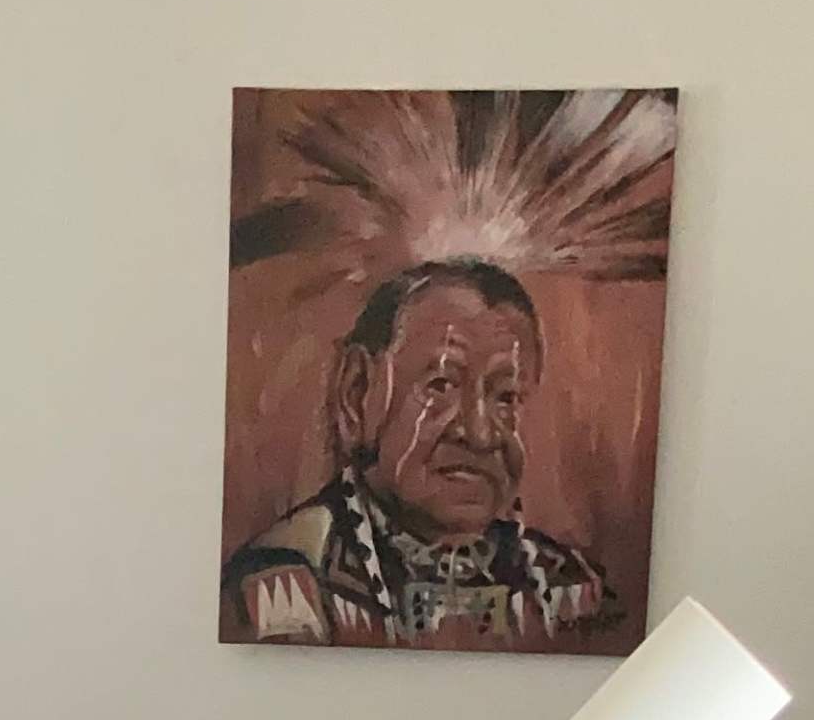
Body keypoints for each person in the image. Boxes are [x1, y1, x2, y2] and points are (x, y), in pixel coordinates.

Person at [224, 258, 615, 648]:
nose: (479, 435)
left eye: (506, 397)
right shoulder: (282, 586)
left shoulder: (573, 590)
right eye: (440, 385)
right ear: (357, 392)